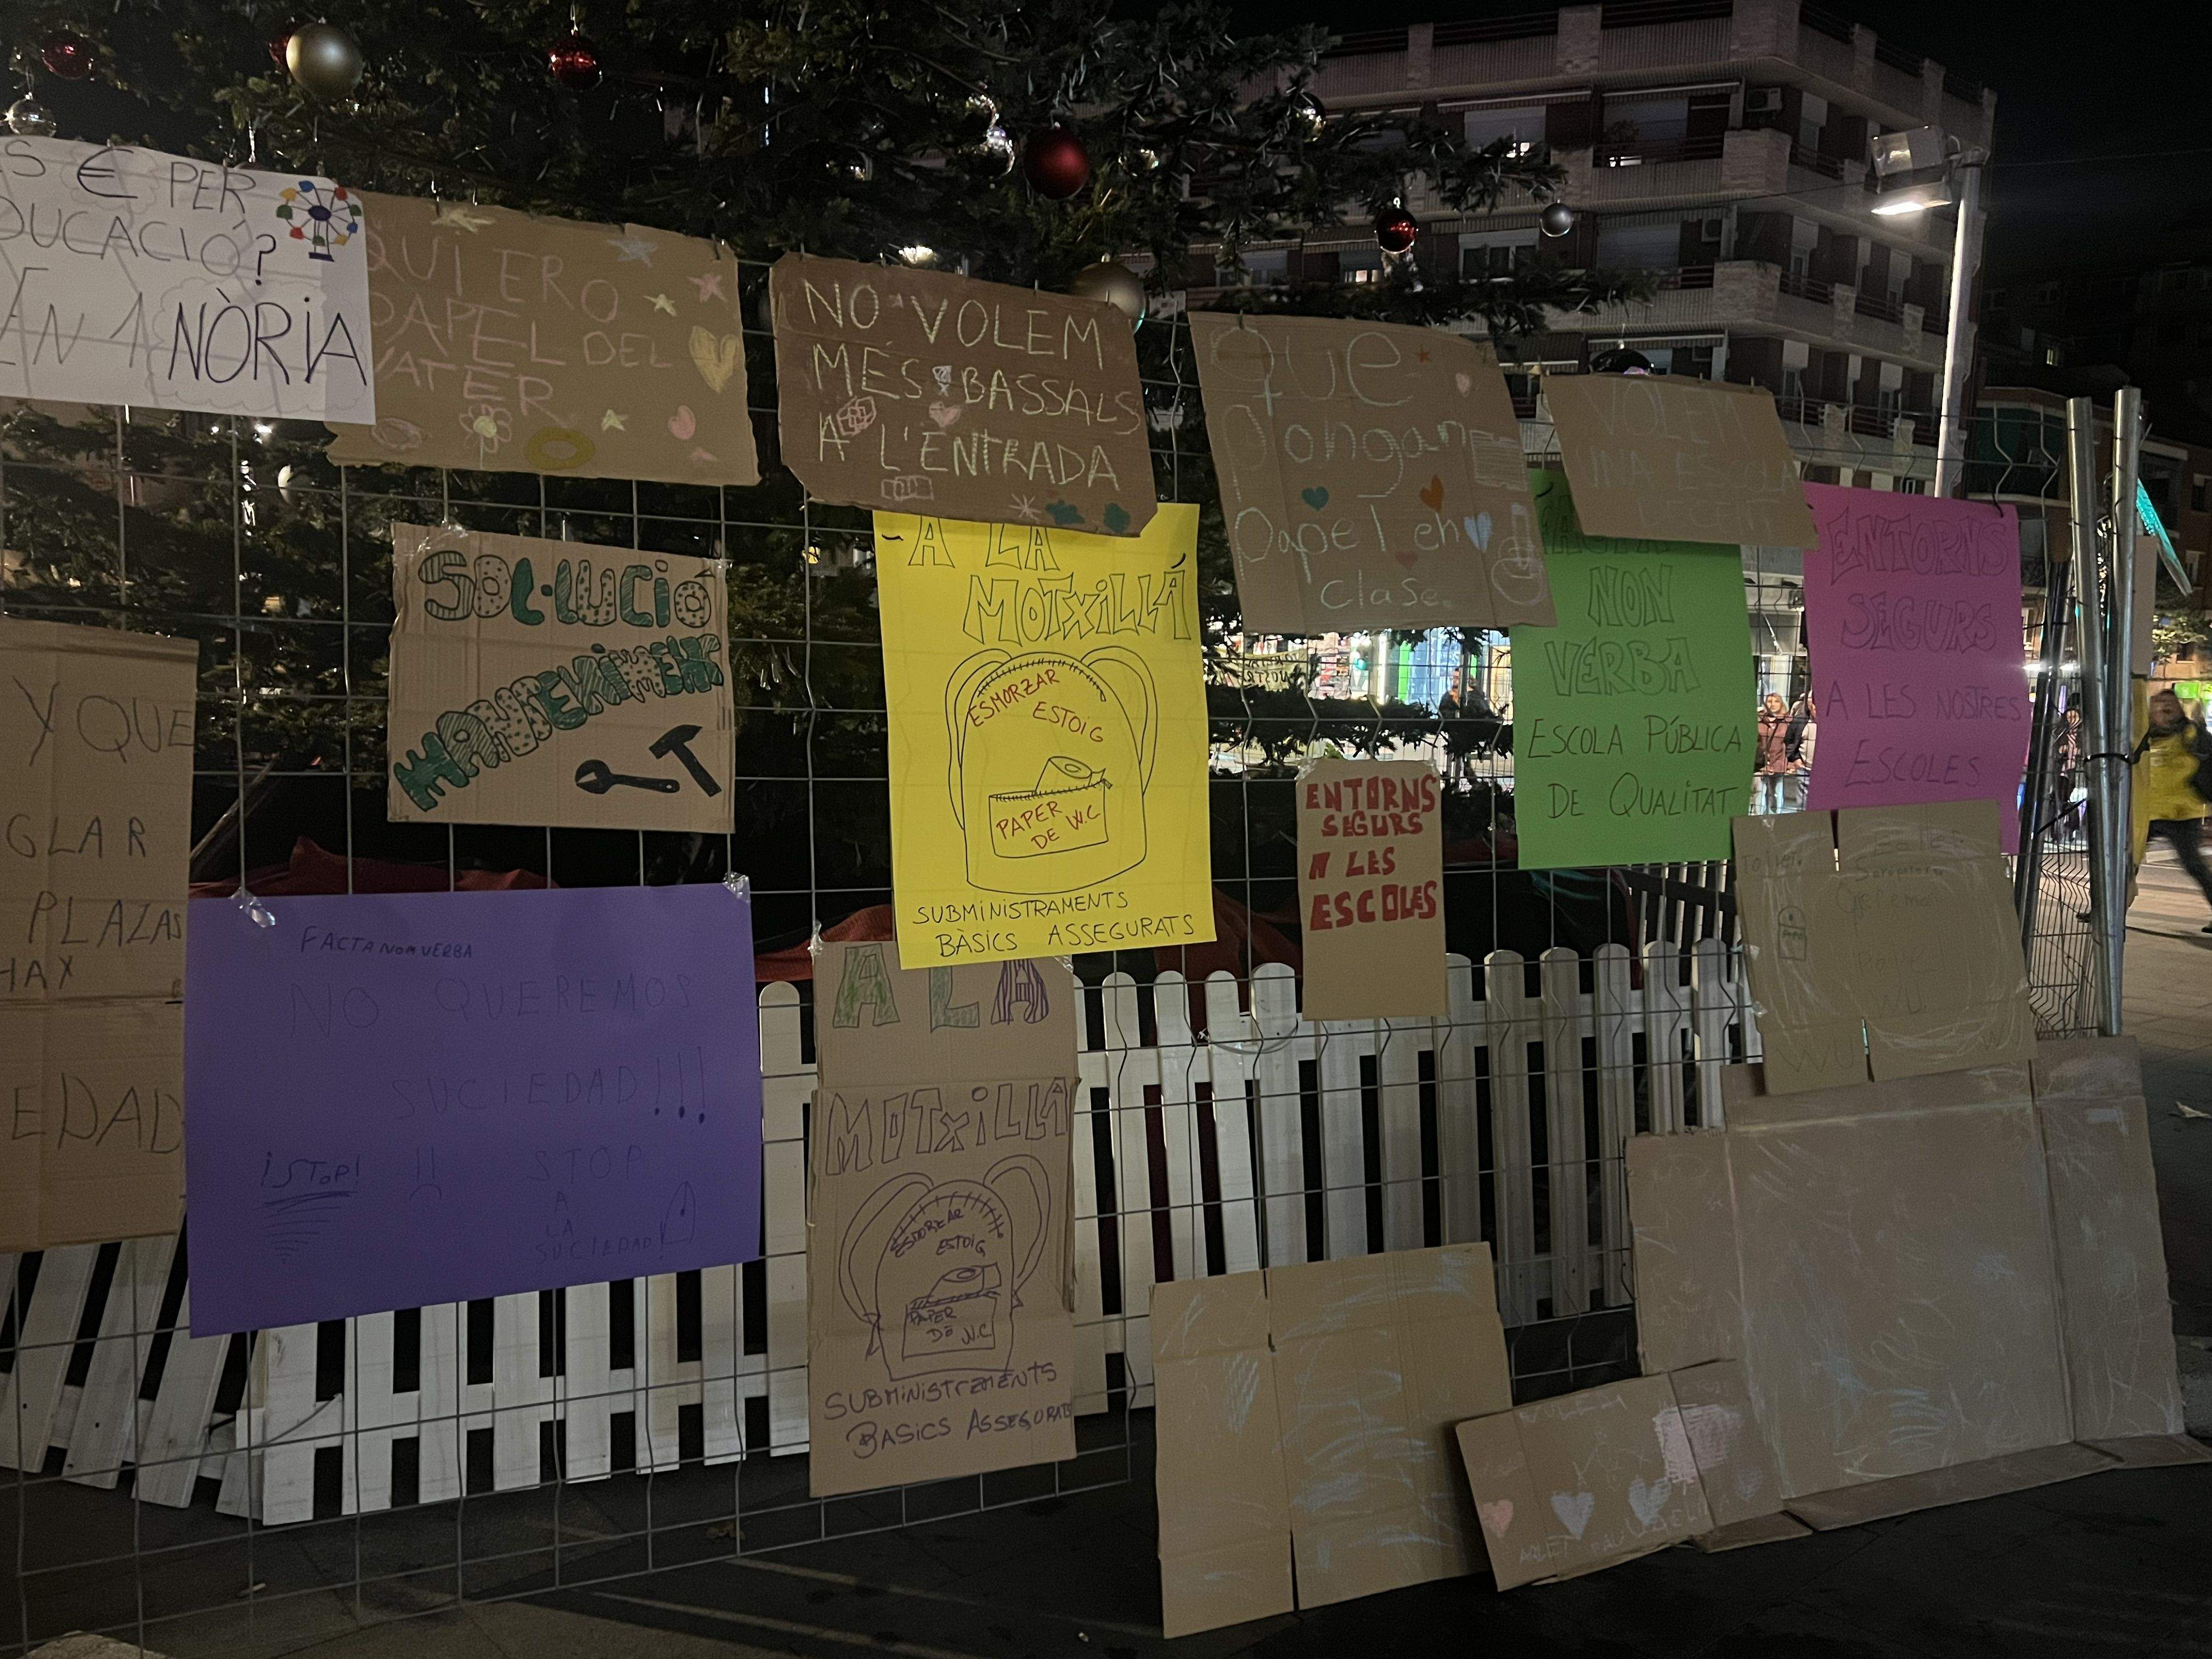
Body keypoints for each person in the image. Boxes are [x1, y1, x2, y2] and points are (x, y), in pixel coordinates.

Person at [2130, 688, 2212, 929]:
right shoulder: (2147, 737)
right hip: (2149, 811)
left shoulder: (2192, 733)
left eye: (2170, 705)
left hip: (2182, 813)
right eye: (2159, 705)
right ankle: (2105, 910)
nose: (2164, 710)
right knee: (2127, 863)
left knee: (2194, 865)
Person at [1754, 693, 1794, 812]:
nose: (1773, 704)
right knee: (1760, 793)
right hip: (1762, 763)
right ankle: (1759, 820)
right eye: (1770, 701)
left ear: (1781, 703)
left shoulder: (1788, 722)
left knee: (1777, 793)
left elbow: (1791, 743)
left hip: (1779, 762)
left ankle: (1776, 819)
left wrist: (1790, 764)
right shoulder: (1759, 721)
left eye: (1776, 701)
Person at [1785, 693, 1816, 811]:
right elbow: (1789, 740)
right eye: (1813, 705)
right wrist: (1795, 758)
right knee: (1802, 804)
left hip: (1826, 770)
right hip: (1804, 769)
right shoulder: (1800, 720)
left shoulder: (1834, 722)